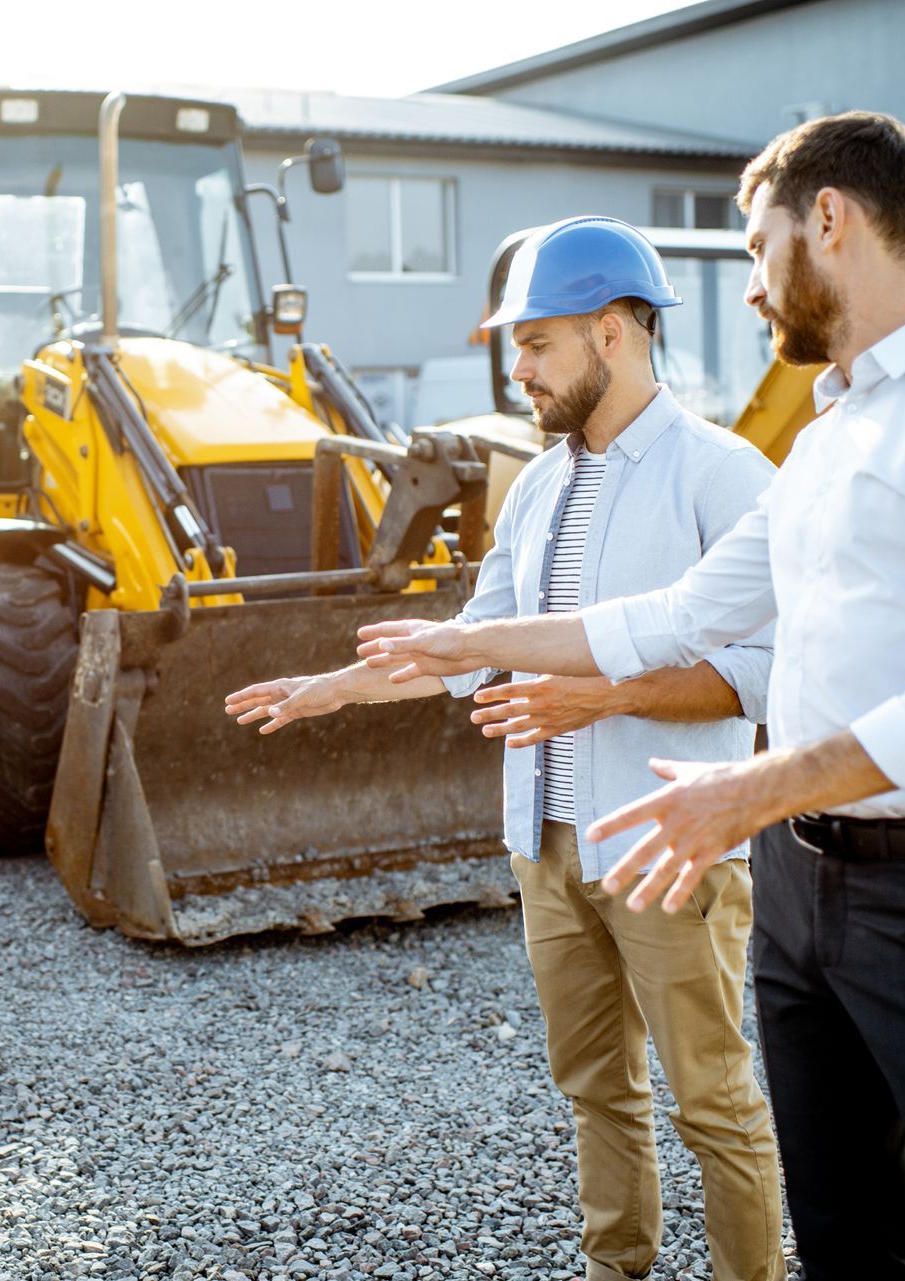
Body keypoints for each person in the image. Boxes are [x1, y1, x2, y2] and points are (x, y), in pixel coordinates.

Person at [355, 112, 905, 1281]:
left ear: (829, 220)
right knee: (847, 1239)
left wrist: (748, 787)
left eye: (757, 250)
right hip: (805, 891)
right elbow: (675, 613)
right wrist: (464, 643)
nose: (754, 289)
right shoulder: (826, 438)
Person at [227, 216, 785, 1281]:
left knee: (713, 1100)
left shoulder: (723, 475)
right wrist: (329, 691)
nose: (515, 369)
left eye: (536, 343)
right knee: (595, 1092)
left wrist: (599, 699)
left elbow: (761, 675)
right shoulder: (533, 488)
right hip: (547, 847)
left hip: (669, 846)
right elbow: (470, 645)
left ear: (614, 332)